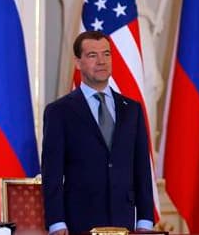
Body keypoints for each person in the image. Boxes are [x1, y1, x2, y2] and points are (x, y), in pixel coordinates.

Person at [41, 31, 154, 234]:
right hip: (79, 221)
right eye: (93, 55)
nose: (101, 61)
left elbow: (142, 169)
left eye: (106, 54)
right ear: (78, 62)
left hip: (124, 220)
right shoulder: (59, 111)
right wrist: (56, 222)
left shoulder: (132, 109)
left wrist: (145, 220)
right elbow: (52, 174)